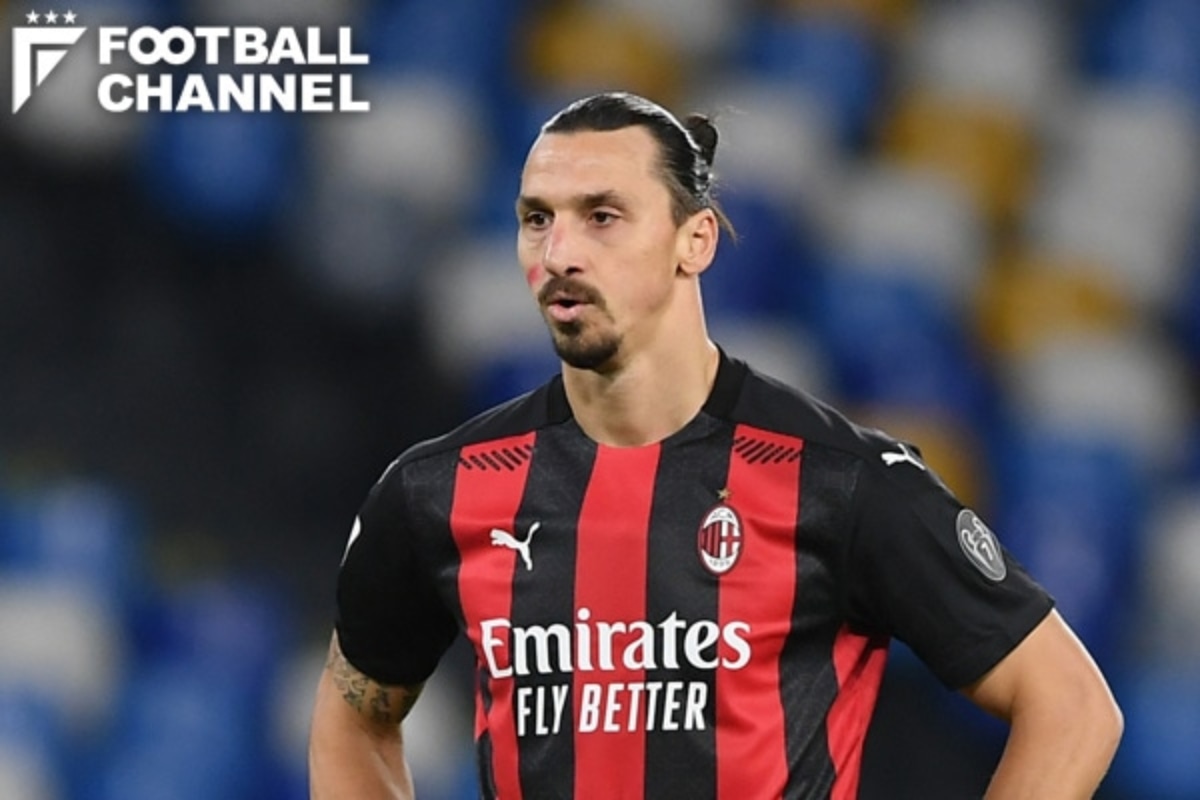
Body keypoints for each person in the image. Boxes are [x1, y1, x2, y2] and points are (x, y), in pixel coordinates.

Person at [308, 91, 1122, 799]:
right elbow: (354, 720)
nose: (560, 254)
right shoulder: (439, 490)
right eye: (537, 220)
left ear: (694, 240)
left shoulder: (839, 481)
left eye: (602, 217)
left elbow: (1071, 707)